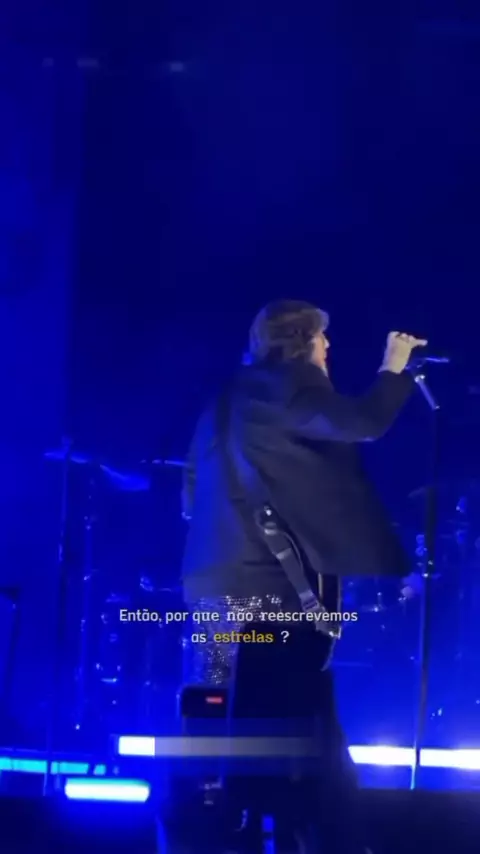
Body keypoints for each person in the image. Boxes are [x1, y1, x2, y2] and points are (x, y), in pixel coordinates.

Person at [180, 299, 427, 853]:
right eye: (321, 338)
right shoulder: (291, 386)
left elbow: (191, 496)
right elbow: (362, 423)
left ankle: (227, 828)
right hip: (271, 593)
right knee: (295, 721)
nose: (328, 347)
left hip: (212, 589)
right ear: (300, 343)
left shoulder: (224, 400)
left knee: (223, 715)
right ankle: (311, 831)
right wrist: (393, 368)